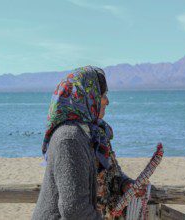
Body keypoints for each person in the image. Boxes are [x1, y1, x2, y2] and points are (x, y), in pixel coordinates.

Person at [32, 66, 144, 220]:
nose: (107, 101)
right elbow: (75, 211)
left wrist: (125, 184)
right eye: (103, 95)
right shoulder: (69, 139)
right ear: (87, 96)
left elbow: (108, 172)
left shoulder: (94, 133)